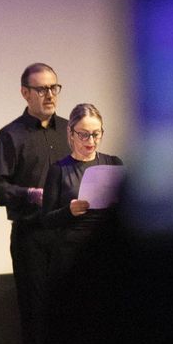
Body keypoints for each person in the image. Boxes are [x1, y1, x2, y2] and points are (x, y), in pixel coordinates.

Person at [0, 62, 70, 344]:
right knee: (36, 317)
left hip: (68, 236)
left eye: (54, 88)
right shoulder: (11, 135)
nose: (49, 95)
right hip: (32, 236)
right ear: (25, 92)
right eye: (41, 89)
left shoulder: (70, 130)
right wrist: (28, 194)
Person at [39, 103, 124, 300]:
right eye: (84, 134)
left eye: (96, 134)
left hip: (105, 251)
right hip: (71, 254)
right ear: (71, 132)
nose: (91, 141)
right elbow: (46, 219)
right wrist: (69, 211)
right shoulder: (59, 169)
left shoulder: (113, 163)